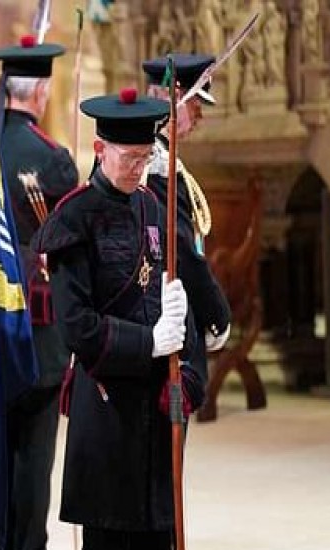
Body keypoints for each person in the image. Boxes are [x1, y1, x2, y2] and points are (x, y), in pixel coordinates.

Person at [31, 88, 208, 550]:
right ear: (100, 148)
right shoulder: (73, 220)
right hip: (107, 416)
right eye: (128, 158)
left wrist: (190, 375)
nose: (137, 169)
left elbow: (183, 307)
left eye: (145, 157)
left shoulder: (156, 209)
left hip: (156, 416)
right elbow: (78, 328)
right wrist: (148, 342)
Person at [0, 36, 80, 550]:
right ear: (42, 91)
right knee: (35, 449)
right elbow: (70, 246)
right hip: (40, 326)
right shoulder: (52, 159)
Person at [142, 53, 231, 353]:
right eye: (196, 105)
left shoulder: (148, 154)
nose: (200, 117)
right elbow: (180, 249)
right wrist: (218, 314)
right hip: (162, 313)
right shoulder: (156, 165)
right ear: (174, 100)